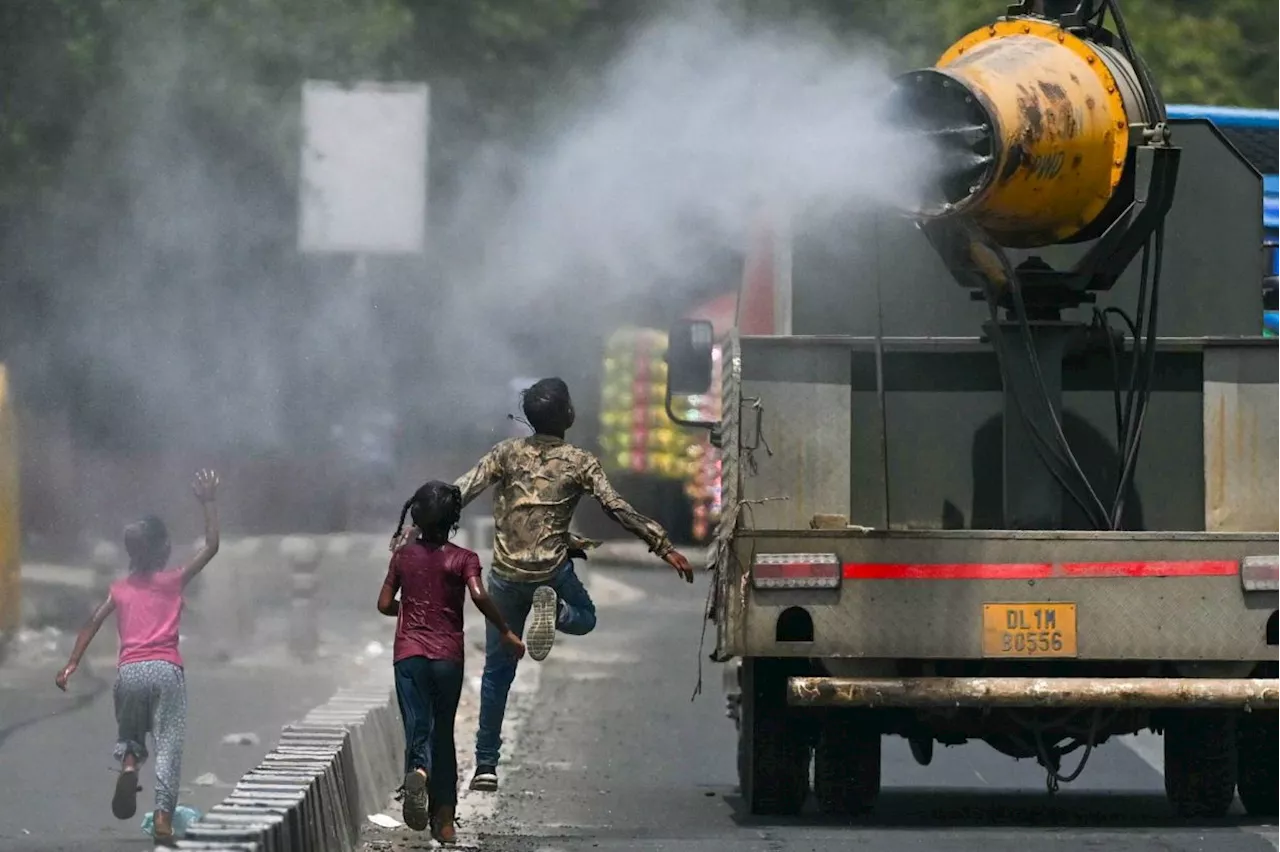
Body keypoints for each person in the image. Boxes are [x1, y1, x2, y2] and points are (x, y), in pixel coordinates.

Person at [451, 376, 694, 792]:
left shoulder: (506, 454)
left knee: (496, 673)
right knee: (586, 617)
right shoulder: (580, 462)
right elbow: (616, 507)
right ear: (568, 416)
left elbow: (462, 489)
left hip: (506, 577)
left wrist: (420, 523)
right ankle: (558, 612)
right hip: (552, 572)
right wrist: (663, 544)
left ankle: (486, 766)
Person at [56, 469, 221, 842]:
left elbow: (92, 622)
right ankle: (163, 817)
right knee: (168, 744)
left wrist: (71, 664)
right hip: (166, 670)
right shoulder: (173, 580)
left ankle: (129, 767)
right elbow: (211, 546)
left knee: (131, 733)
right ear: (164, 549)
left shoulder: (119, 589)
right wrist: (208, 502)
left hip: (129, 672)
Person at [378, 480, 526, 843]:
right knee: (443, 731)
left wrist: (410, 611)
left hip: (409, 655)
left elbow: (383, 605)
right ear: (453, 520)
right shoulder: (463, 558)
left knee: (417, 724)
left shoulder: (403, 556)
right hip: (448, 657)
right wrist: (505, 630)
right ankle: (444, 822)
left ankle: (418, 772)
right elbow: (478, 595)